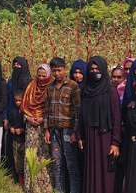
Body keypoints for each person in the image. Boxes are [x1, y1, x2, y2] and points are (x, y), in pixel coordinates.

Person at [77, 56, 122, 193]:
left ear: (103, 69)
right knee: (91, 169)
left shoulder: (110, 91)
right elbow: (81, 115)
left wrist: (115, 142)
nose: (94, 71)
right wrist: (80, 136)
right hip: (90, 136)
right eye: (91, 69)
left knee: (105, 171)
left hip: (105, 136)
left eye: (97, 69)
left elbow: (116, 118)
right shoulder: (85, 91)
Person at [44, 57, 82, 193]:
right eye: (54, 71)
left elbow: (78, 111)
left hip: (68, 130)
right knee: (57, 163)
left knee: (71, 164)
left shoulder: (73, 86)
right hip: (54, 131)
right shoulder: (50, 88)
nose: (57, 74)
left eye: (59, 70)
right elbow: (46, 110)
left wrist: (75, 132)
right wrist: (46, 130)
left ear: (65, 69)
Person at [21, 63, 54, 193]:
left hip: (45, 127)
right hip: (31, 126)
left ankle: (45, 187)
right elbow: (24, 106)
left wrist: (43, 119)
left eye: (43, 76)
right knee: (31, 154)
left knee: (44, 155)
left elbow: (53, 108)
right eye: (39, 75)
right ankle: (31, 186)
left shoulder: (51, 88)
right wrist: (29, 118)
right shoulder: (31, 86)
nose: (41, 78)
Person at [5, 56, 32, 181]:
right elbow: (6, 100)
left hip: (24, 119)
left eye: (19, 65)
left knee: (24, 152)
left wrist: (23, 125)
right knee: (12, 150)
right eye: (14, 65)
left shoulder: (29, 82)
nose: (16, 67)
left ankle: (25, 180)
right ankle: (14, 177)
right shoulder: (10, 81)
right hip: (11, 118)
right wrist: (7, 119)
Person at [9, 91, 27, 186]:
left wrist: (22, 130)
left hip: (24, 140)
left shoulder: (25, 112)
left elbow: (28, 128)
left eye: (20, 101)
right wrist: (11, 128)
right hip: (15, 139)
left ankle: (24, 182)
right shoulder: (13, 111)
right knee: (17, 162)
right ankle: (19, 182)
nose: (18, 103)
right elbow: (9, 123)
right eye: (16, 101)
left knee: (24, 161)